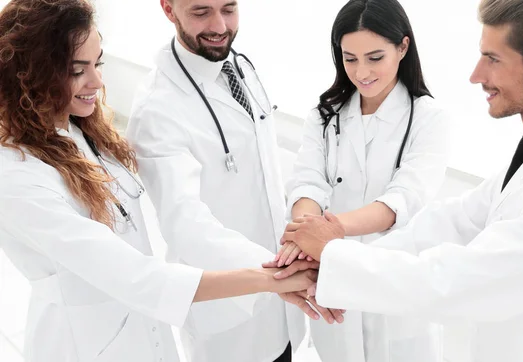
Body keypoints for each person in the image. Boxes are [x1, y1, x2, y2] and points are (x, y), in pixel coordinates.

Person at [275, 0, 523, 361]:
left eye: (492, 59)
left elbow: (463, 283)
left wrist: (334, 254)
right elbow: (453, 221)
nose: (475, 75)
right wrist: (330, 266)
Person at [0, 1, 317, 361]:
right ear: (30, 73)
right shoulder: (16, 175)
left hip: (145, 329)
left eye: (98, 63)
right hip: (84, 342)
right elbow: (140, 271)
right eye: (77, 70)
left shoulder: (78, 131)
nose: (98, 82)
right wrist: (273, 276)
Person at [125, 1, 341, 362]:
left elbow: (264, 170)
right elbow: (185, 226)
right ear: (168, 9)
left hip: (281, 297)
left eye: (229, 8)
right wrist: (277, 272)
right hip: (232, 310)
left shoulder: (238, 65)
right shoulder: (157, 110)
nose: (220, 25)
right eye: (201, 12)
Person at [276, 0, 448, 361]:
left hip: (397, 281)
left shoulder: (428, 119)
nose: (361, 72)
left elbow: (403, 199)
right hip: (335, 277)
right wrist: (308, 229)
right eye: (349, 58)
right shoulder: (325, 116)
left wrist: (327, 232)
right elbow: (307, 182)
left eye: (375, 57)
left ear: (402, 47)